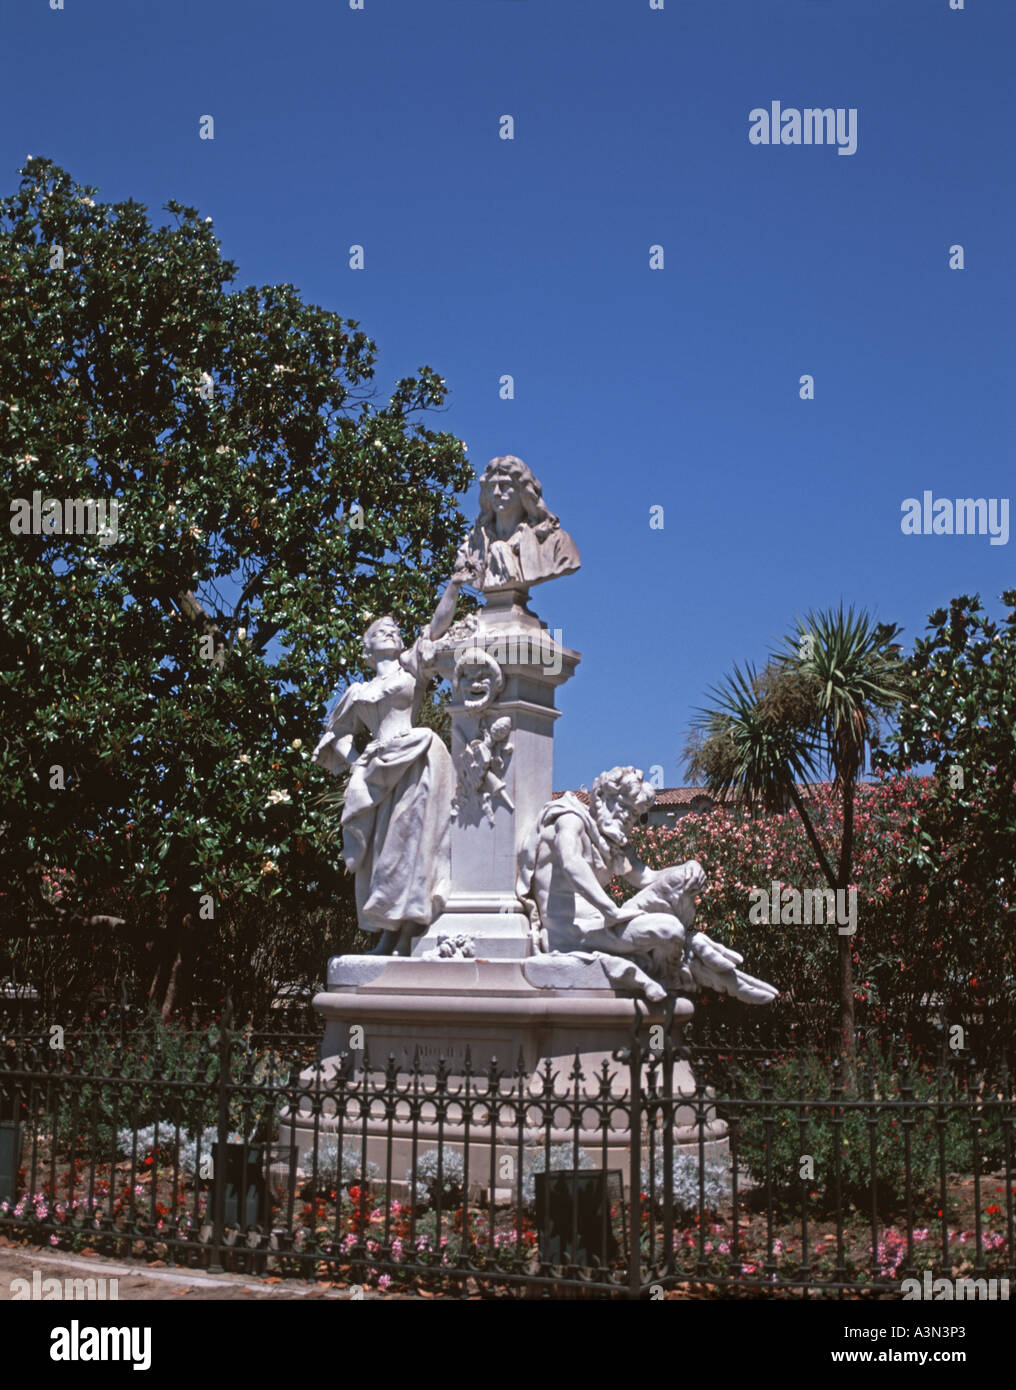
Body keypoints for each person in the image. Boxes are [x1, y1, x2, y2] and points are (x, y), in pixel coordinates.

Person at [517, 766, 778, 1005]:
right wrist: (611, 910)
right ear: (606, 797)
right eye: (628, 811)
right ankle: (681, 969)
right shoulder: (569, 819)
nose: (630, 821)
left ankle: (689, 958)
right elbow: (572, 861)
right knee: (671, 929)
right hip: (571, 929)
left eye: (636, 816)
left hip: (602, 920)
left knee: (679, 884)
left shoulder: (612, 839)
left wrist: (688, 868)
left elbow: (647, 877)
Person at [312, 571, 469, 956]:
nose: (392, 634)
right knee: (383, 854)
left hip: (415, 759)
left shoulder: (411, 669)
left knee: (413, 842)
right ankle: (387, 933)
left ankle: (409, 930)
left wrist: (453, 585)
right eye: (381, 633)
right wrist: (355, 762)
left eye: (394, 631)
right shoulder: (358, 692)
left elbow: (436, 627)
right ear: (367, 649)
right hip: (378, 769)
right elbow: (335, 737)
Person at [455, 456, 580, 593]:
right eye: (491, 487)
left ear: (524, 492)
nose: (496, 493)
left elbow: (570, 562)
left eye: (505, 485)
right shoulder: (471, 548)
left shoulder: (556, 543)